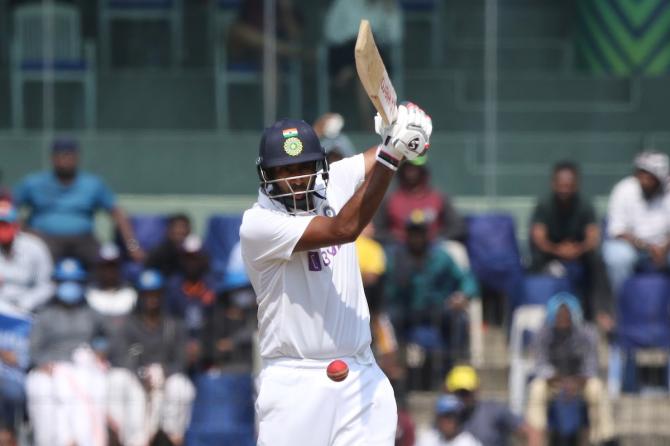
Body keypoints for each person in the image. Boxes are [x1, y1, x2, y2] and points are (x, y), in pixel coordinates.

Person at [239, 104, 432, 445]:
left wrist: (404, 133)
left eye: (304, 166)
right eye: (285, 170)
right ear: (266, 175)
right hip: (295, 384)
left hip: (360, 374)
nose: (297, 177)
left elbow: (378, 155)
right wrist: (392, 153)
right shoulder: (258, 225)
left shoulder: (332, 182)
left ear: (320, 165)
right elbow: (344, 228)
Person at [12, 138, 144, 267]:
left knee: (105, 262)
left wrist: (132, 246)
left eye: (69, 155)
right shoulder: (34, 183)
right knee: (35, 256)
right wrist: (23, 229)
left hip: (83, 238)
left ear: (77, 157)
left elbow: (117, 213)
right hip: (45, 238)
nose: (64, 160)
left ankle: (99, 289)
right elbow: (9, 207)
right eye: (60, 155)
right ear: (52, 158)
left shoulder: (92, 184)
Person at [26, 258, 109, 446]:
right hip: (53, 369)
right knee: (41, 388)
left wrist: (101, 350)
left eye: (74, 282)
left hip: (84, 368)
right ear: (56, 284)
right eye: (64, 282)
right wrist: (43, 364)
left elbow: (106, 338)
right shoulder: (45, 313)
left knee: (97, 387)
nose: (69, 287)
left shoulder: (91, 312)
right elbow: (33, 349)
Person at [107, 269, 195, 446]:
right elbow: (117, 357)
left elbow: (181, 359)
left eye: (156, 293)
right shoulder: (127, 324)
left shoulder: (173, 325)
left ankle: (173, 438)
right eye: (147, 294)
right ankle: (129, 439)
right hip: (136, 381)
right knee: (118, 380)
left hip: (164, 381)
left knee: (182, 386)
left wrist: (163, 372)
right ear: (140, 295)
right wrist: (141, 374)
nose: (151, 298)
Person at [386, 211, 478, 371]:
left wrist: (463, 296)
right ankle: (399, 370)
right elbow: (387, 288)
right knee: (391, 317)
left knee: (459, 319)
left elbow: (466, 280)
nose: (417, 238)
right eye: (413, 233)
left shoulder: (441, 256)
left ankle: (453, 366)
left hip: (438, 308)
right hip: (408, 310)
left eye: (420, 233)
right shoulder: (397, 257)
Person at [525, 293, 617, 445]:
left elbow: (591, 366)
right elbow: (540, 365)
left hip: (580, 382)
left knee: (597, 389)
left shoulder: (588, 333)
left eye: (566, 315)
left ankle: (604, 437)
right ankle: (536, 440)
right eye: (558, 315)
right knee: (536, 388)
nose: (562, 319)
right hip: (554, 381)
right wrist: (558, 379)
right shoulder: (543, 333)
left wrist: (576, 382)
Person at [530, 161, 613, 326]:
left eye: (569, 186)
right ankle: (546, 318)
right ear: (554, 184)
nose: (564, 190)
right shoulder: (544, 205)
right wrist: (558, 250)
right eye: (561, 185)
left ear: (576, 185)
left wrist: (577, 249)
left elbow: (593, 237)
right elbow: (538, 237)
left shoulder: (585, 205)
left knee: (597, 261)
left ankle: (600, 314)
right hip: (550, 257)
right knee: (538, 262)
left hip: (578, 256)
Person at [324, 0, 403, 128]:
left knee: (367, 62)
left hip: (373, 53)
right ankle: (350, 68)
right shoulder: (344, 3)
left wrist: (390, 12)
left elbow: (395, 37)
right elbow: (330, 33)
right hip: (345, 49)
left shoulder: (387, 6)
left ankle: (349, 71)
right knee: (362, 54)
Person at [603, 151, 670, 296]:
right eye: (641, 174)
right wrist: (647, 247)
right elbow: (617, 231)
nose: (644, 180)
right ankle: (624, 303)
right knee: (618, 256)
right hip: (633, 246)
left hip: (665, 247)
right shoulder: (624, 189)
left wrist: (664, 247)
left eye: (649, 176)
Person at [445, 365, 539, 446]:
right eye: (457, 393)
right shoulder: (445, 419)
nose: (462, 397)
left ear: (476, 389)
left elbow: (531, 433)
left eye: (466, 392)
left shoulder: (494, 411)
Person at [0, 201, 53, 314]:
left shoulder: (35, 247)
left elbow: (46, 285)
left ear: (16, 226)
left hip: (28, 308)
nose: (2, 229)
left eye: (5, 225)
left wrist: (24, 305)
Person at [86, 243, 137, 326]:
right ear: (98, 267)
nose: (109, 270)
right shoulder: (89, 293)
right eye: (105, 265)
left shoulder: (130, 294)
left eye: (113, 265)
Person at [416, 394, 482, 446]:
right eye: (443, 416)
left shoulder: (470, 443)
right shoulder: (427, 440)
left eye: (451, 417)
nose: (447, 421)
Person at [145, 213, 192, 277]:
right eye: (177, 227)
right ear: (169, 230)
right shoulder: (160, 251)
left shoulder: (194, 250)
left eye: (183, 227)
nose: (180, 231)